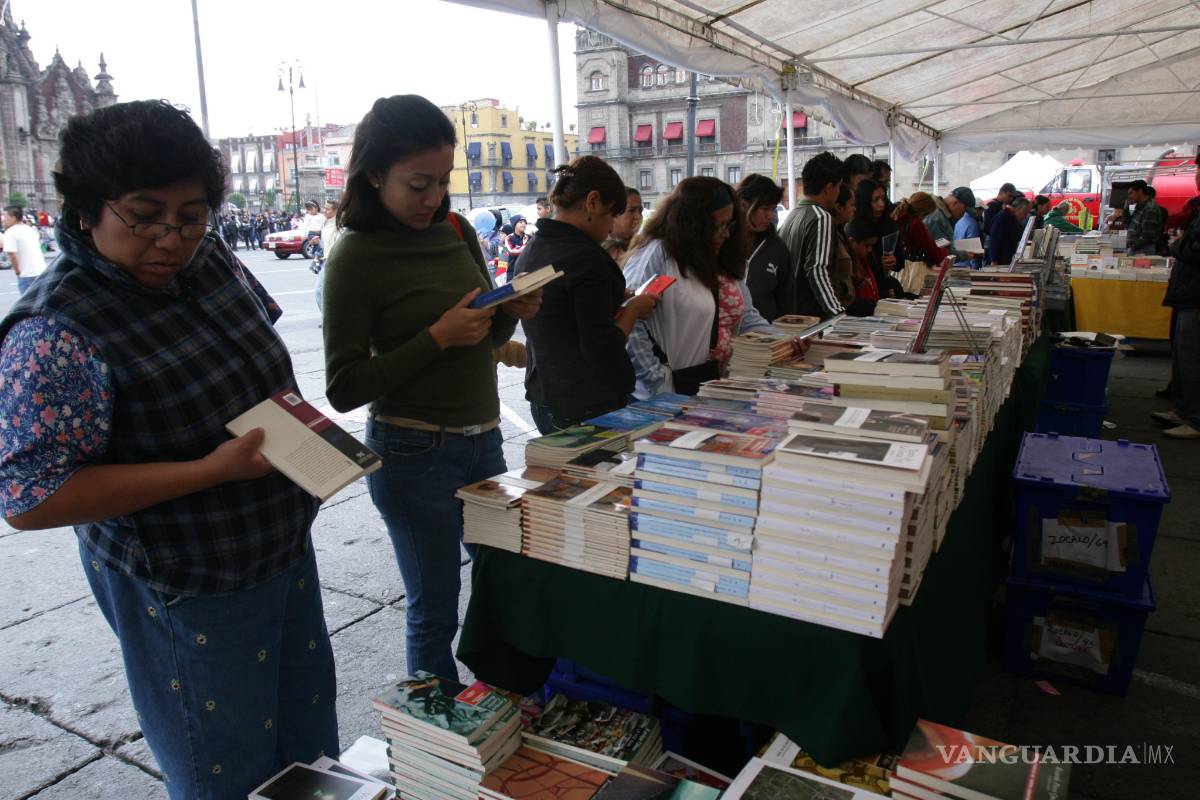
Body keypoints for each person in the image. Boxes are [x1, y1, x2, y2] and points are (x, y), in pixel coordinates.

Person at [0, 100, 337, 799]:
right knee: (228, 769)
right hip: (189, 582)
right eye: (144, 216)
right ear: (89, 209)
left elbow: (257, 353)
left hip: (279, 548)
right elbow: (32, 500)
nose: (170, 238)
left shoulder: (209, 259)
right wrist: (205, 472)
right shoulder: (55, 329)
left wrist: (313, 440)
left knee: (311, 757)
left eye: (189, 217)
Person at [321, 94, 540, 680]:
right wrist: (434, 338)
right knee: (435, 609)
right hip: (413, 454)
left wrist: (511, 308)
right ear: (373, 175)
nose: (433, 198)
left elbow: (483, 328)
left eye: (443, 181)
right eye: (418, 184)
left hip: (484, 442)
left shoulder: (457, 229)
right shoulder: (355, 255)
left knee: (504, 583)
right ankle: (437, 743)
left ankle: (503, 712)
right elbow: (343, 387)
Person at [516, 156, 658, 432]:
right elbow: (599, 344)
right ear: (592, 202)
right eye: (612, 214)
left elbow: (562, 312)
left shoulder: (535, 248)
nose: (610, 228)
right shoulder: (585, 258)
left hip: (546, 393)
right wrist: (633, 310)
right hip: (587, 398)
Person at [625, 177, 782, 398]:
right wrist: (657, 380)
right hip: (663, 394)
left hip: (701, 385)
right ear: (693, 224)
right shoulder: (657, 253)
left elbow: (745, 315)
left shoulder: (715, 257)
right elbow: (630, 319)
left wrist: (783, 340)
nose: (726, 233)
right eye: (718, 226)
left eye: (730, 225)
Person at [777, 151, 845, 319]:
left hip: (792, 314)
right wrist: (837, 313)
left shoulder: (793, 214)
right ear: (829, 188)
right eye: (838, 187)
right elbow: (817, 269)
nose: (838, 193)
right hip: (812, 317)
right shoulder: (821, 217)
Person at [1153, 203, 1200, 439]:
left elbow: (1193, 250)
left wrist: (1178, 244)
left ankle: (1195, 418)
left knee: (1192, 359)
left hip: (1195, 296)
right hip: (1188, 294)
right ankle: (1183, 410)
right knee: (1183, 357)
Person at [735, 173, 790, 321]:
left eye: (773, 209)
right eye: (765, 209)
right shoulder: (724, 243)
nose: (770, 216)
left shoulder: (778, 248)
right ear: (744, 205)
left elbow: (786, 300)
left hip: (767, 336)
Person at [853, 178, 903, 298]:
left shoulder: (890, 225)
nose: (881, 204)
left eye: (883, 199)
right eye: (875, 200)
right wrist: (879, 265)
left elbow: (900, 260)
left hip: (884, 281)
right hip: (864, 287)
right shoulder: (854, 226)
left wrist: (894, 261)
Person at [893, 192, 948, 293]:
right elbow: (930, 250)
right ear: (922, 212)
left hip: (899, 272)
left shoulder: (897, 216)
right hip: (914, 274)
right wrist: (944, 252)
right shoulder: (915, 224)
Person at [3, 205, 48, 295]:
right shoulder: (30, 229)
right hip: (42, 271)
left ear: (13, 218)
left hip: (26, 274)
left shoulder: (10, 232)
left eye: (6, 217)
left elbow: (12, 255)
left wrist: (18, 272)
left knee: (28, 306)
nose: (4, 220)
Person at [844, 218, 882, 316]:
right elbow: (849, 301)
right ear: (852, 242)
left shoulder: (863, 261)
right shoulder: (846, 265)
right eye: (866, 245)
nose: (869, 250)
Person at [986, 195, 1032, 266]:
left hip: (1007, 260)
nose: (1024, 217)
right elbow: (994, 239)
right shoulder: (1002, 217)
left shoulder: (1012, 218)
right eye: (1025, 213)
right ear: (1019, 208)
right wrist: (994, 260)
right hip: (999, 262)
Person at [1126, 181, 1168, 255]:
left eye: (1131, 193)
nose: (1129, 196)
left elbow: (1147, 235)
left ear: (1139, 191)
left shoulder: (1150, 209)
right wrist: (1126, 208)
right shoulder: (1140, 207)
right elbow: (1129, 225)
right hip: (1138, 249)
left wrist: (1132, 247)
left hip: (1143, 250)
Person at [946, 187, 984, 268]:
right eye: (981, 210)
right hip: (965, 264)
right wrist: (975, 268)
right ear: (955, 203)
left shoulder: (958, 221)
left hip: (954, 262)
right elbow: (973, 248)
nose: (982, 213)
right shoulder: (972, 224)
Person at [314, 200, 340, 311]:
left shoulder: (339, 224)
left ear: (335, 211)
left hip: (332, 261)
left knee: (319, 290)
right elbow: (325, 243)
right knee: (324, 290)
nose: (325, 210)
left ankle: (327, 317)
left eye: (328, 209)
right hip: (324, 259)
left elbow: (339, 244)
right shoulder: (325, 222)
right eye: (324, 208)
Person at [607, 187, 644, 256]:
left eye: (640, 211)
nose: (638, 217)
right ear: (614, 213)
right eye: (631, 210)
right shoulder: (598, 250)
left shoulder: (644, 247)